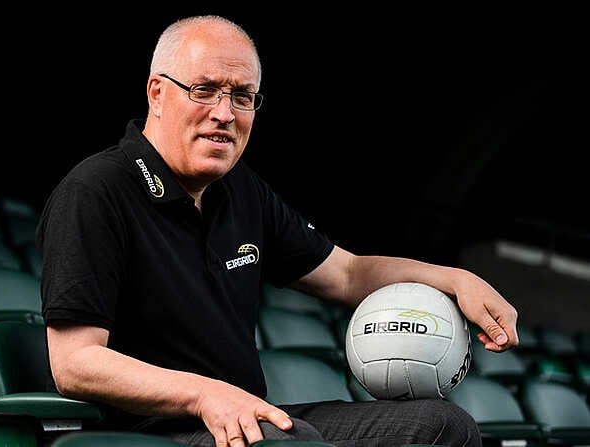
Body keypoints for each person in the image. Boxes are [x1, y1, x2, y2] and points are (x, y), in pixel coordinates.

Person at [36, 14, 519, 447]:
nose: (224, 112)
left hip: (245, 420)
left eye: (242, 96)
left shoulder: (241, 190)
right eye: (204, 89)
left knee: (442, 426)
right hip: (152, 430)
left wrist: (456, 280)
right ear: (157, 94)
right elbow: (75, 363)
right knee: (288, 442)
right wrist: (205, 395)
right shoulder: (96, 190)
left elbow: (349, 275)